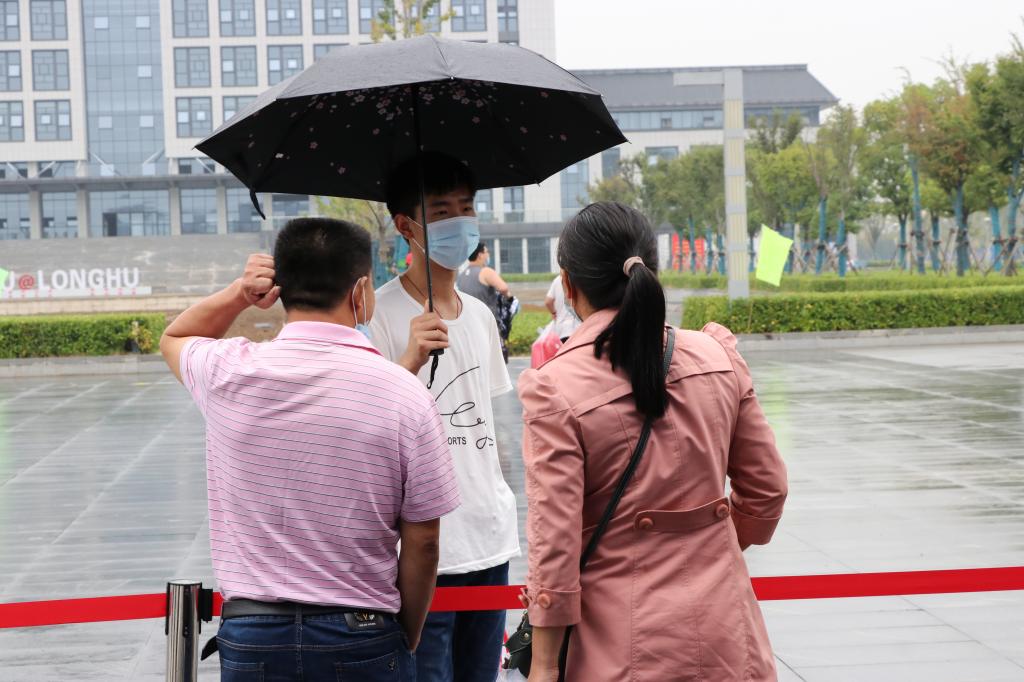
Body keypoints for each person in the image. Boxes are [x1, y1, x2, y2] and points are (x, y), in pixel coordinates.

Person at [159, 217, 460, 681]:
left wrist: (241, 294)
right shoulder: (404, 392)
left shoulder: (228, 372)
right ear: (361, 291)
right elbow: (424, 542)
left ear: (280, 286)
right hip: (362, 633)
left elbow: (175, 337)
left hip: (253, 632)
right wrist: (406, 635)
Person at [517, 202, 788, 682]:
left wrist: (542, 665)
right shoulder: (717, 355)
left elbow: (554, 543)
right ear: (651, 268)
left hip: (619, 641)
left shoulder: (555, 387)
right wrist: (707, 544)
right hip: (727, 633)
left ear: (568, 285)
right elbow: (767, 491)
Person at [369, 153, 520, 682]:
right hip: (421, 549)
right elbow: (368, 428)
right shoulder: (378, 314)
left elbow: (485, 426)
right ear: (405, 225)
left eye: (466, 207)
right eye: (441, 210)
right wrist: (409, 359)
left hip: (489, 537)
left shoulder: (479, 316)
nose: (460, 221)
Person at [457, 243, 513, 362]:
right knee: (494, 360)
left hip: (468, 325)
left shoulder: (461, 275)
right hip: (487, 323)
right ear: (480, 255)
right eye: (487, 252)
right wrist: (509, 299)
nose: (488, 255)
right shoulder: (486, 272)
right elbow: (503, 288)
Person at [544, 273, 580, 343]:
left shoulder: (557, 280)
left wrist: (554, 313)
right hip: (578, 328)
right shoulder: (579, 278)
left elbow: (548, 302)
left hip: (562, 329)